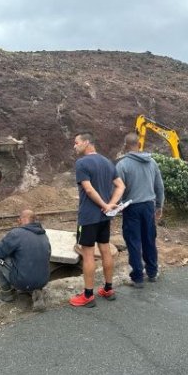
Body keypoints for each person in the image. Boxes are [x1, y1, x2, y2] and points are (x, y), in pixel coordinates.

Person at [69, 131, 125, 307]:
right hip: (104, 218)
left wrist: (104, 204)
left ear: (86, 142)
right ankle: (108, 289)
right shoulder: (107, 162)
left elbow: (89, 190)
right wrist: (110, 205)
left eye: (76, 142)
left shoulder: (82, 163)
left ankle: (87, 296)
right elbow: (121, 186)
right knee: (105, 250)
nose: (74, 146)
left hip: (88, 217)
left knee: (87, 255)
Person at [116, 132, 165, 287]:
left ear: (125, 145)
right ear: (139, 144)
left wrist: (117, 205)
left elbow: (118, 189)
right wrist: (159, 206)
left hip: (131, 208)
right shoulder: (152, 163)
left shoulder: (122, 165)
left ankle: (137, 278)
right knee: (149, 239)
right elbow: (159, 186)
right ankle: (152, 272)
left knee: (134, 241)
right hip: (149, 206)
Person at [0, 209, 51, 302]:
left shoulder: (17, 233)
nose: (18, 221)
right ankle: (35, 290)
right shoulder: (43, 235)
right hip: (43, 280)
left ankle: (7, 293)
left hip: (23, 282)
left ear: (23, 219)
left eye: (19, 219)